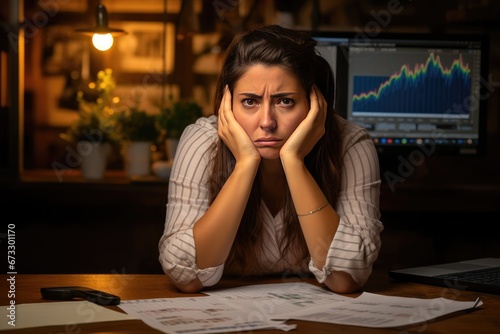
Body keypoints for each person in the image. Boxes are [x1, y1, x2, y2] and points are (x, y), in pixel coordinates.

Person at [158, 24, 383, 294]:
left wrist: (294, 161)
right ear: (227, 104)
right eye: (249, 102)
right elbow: (186, 277)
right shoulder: (203, 141)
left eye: (285, 101)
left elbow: (346, 279)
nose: (267, 122)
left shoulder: (351, 143)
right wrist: (245, 165)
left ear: (315, 103)